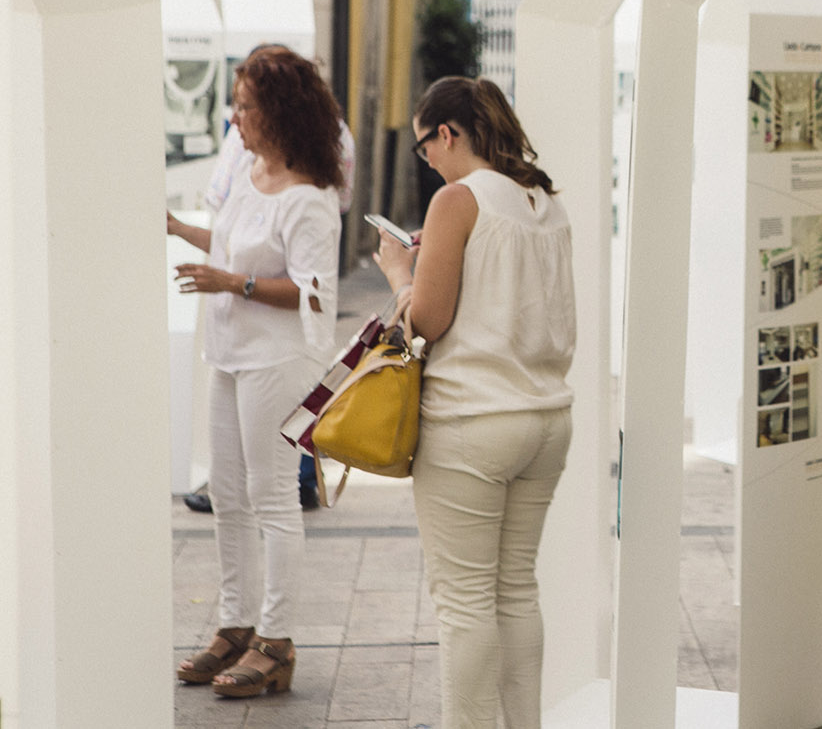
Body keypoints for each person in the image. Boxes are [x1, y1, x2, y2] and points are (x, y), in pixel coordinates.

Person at [374, 76, 576, 729]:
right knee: (516, 591)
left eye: (423, 144)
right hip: (546, 417)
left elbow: (428, 318)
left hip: (473, 420)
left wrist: (402, 273)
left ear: (450, 132)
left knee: (463, 605)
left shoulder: (456, 199)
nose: (426, 158)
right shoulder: (543, 199)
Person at [167, 46, 344, 698]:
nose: (235, 117)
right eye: (236, 103)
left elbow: (313, 290)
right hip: (231, 354)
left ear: (280, 109)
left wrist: (233, 282)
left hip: (278, 359)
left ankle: (276, 639)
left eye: (245, 105)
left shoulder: (309, 198)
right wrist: (176, 227)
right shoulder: (249, 170)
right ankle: (235, 625)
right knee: (229, 498)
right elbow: (225, 242)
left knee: (271, 502)